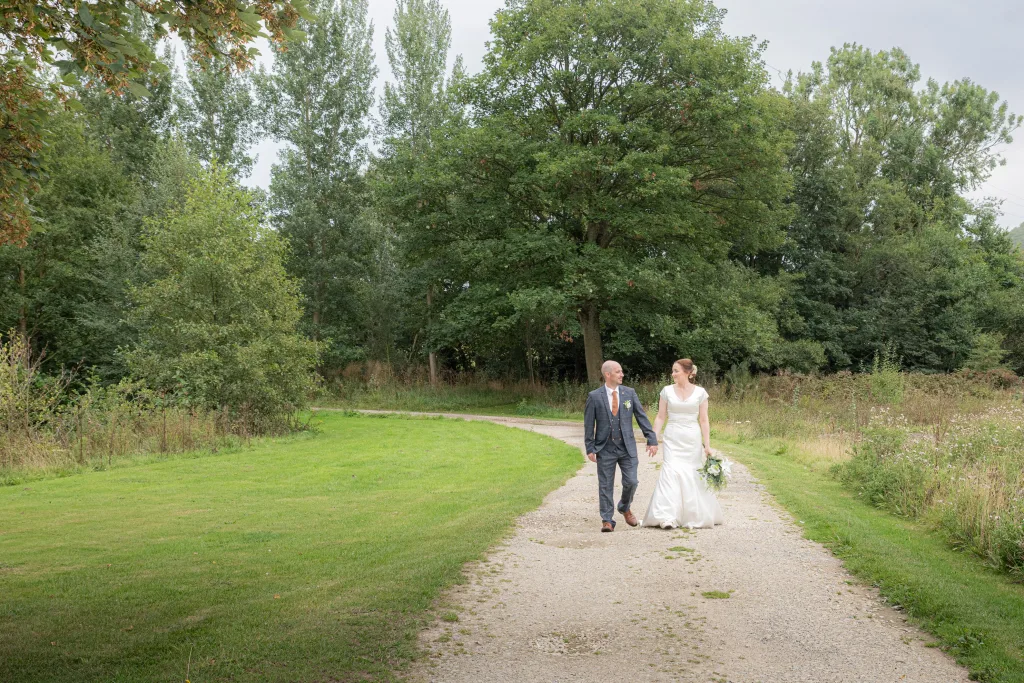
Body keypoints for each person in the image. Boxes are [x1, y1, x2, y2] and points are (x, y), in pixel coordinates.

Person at [641, 358, 724, 529]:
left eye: (676, 371)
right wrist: (653, 439)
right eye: (672, 371)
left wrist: (707, 446)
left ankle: (692, 514)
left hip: (691, 438)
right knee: (670, 471)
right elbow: (660, 417)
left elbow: (704, 420)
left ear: (688, 372)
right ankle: (667, 516)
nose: (673, 374)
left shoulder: (701, 393)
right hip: (672, 436)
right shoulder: (666, 391)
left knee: (691, 472)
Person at [583, 360, 658, 532]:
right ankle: (607, 520)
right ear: (608, 374)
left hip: (627, 447)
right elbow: (588, 424)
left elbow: (641, 417)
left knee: (631, 481)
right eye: (618, 372)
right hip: (605, 448)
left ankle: (624, 507)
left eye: (621, 371)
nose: (622, 374)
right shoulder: (594, 396)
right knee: (605, 484)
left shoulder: (629, 393)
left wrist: (651, 439)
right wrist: (590, 447)